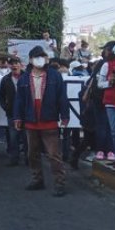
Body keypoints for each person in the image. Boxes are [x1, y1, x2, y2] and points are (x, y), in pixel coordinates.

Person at [13, 45, 70, 196]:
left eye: (42, 56)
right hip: (31, 120)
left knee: (54, 154)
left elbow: (62, 97)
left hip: (49, 120)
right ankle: (37, 179)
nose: (40, 60)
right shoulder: (24, 78)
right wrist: (17, 117)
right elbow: (19, 100)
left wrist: (65, 115)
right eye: (37, 57)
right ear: (31, 60)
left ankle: (59, 183)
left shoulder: (55, 76)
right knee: (32, 153)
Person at [0, 56, 25, 166]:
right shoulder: (5, 79)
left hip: (26, 112)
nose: (14, 65)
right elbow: (1, 96)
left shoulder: (27, 77)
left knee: (27, 137)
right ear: (9, 66)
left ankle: (29, 159)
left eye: (16, 63)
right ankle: (14, 159)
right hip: (11, 113)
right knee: (13, 137)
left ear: (20, 65)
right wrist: (5, 107)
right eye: (12, 63)